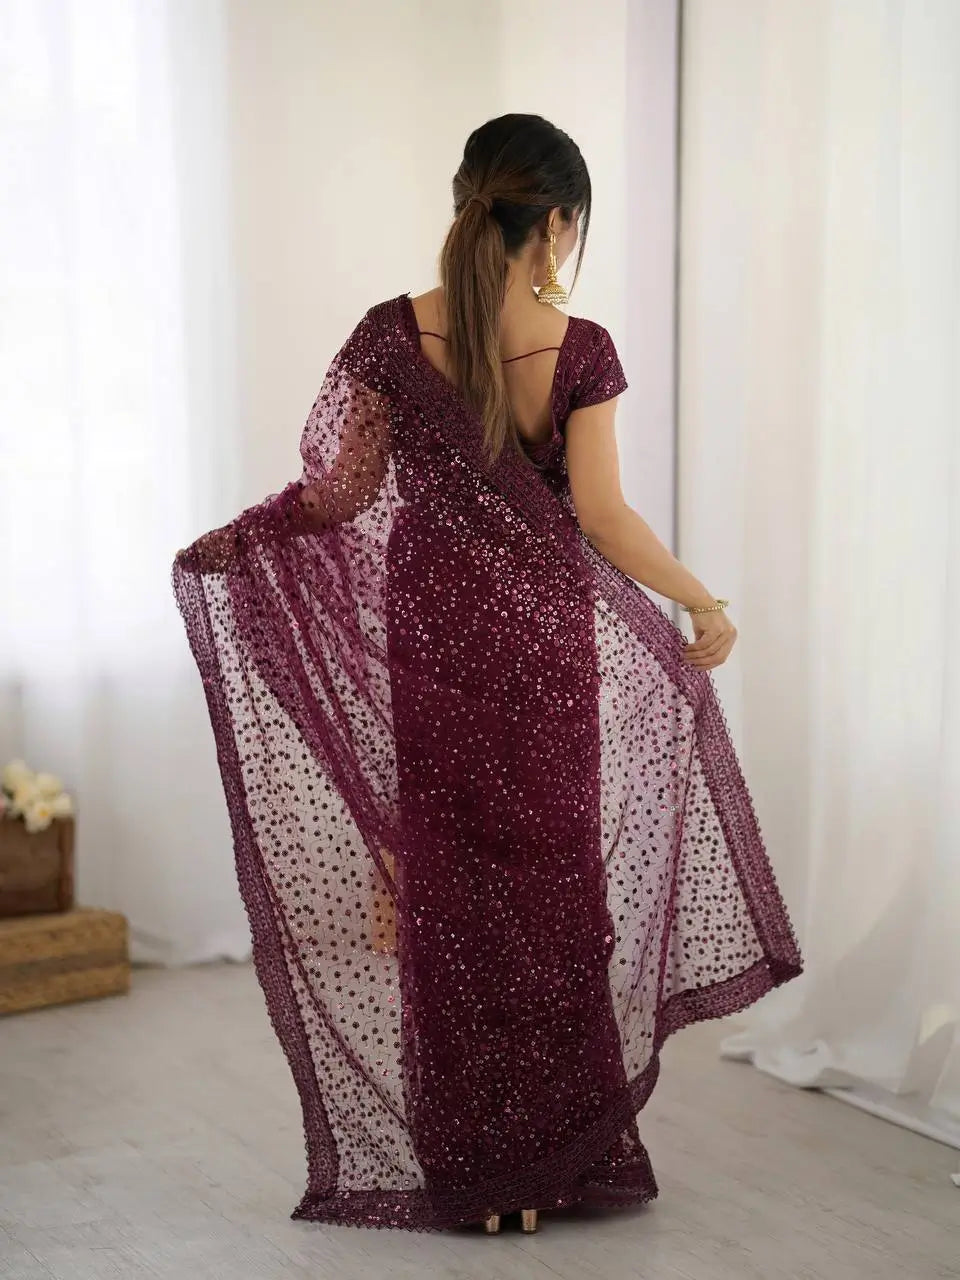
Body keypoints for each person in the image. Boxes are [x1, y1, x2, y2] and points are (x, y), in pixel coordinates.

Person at [173, 113, 802, 1235]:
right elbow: (602, 517)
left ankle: (479, 1167)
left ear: (468, 199)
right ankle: (549, 1161)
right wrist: (702, 598)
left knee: (454, 901)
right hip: (541, 648)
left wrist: (242, 539)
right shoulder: (579, 347)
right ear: (555, 223)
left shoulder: (386, 334)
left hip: (434, 641)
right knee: (550, 893)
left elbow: (334, 496)